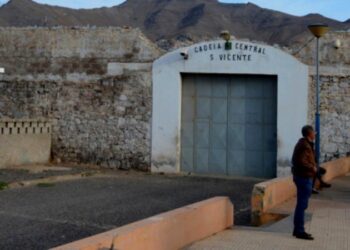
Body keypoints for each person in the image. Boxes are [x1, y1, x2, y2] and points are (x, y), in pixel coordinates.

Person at [291, 125, 317, 240]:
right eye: (313, 132)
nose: (315, 134)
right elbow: (301, 161)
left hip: (303, 177)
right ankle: (299, 231)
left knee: (302, 205)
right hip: (304, 178)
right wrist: (312, 168)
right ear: (309, 134)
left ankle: (298, 230)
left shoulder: (304, 144)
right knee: (301, 205)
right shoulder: (304, 145)